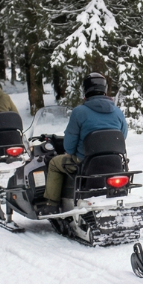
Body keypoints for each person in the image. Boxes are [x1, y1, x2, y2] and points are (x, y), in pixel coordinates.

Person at [41, 73, 128, 207]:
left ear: (86, 90)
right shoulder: (117, 112)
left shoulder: (79, 112)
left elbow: (69, 146)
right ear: (104, 89)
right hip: (114, 161)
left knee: (54, 163)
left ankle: (51, 203)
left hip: (85, 163)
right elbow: (123, 135)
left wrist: (72, 151)